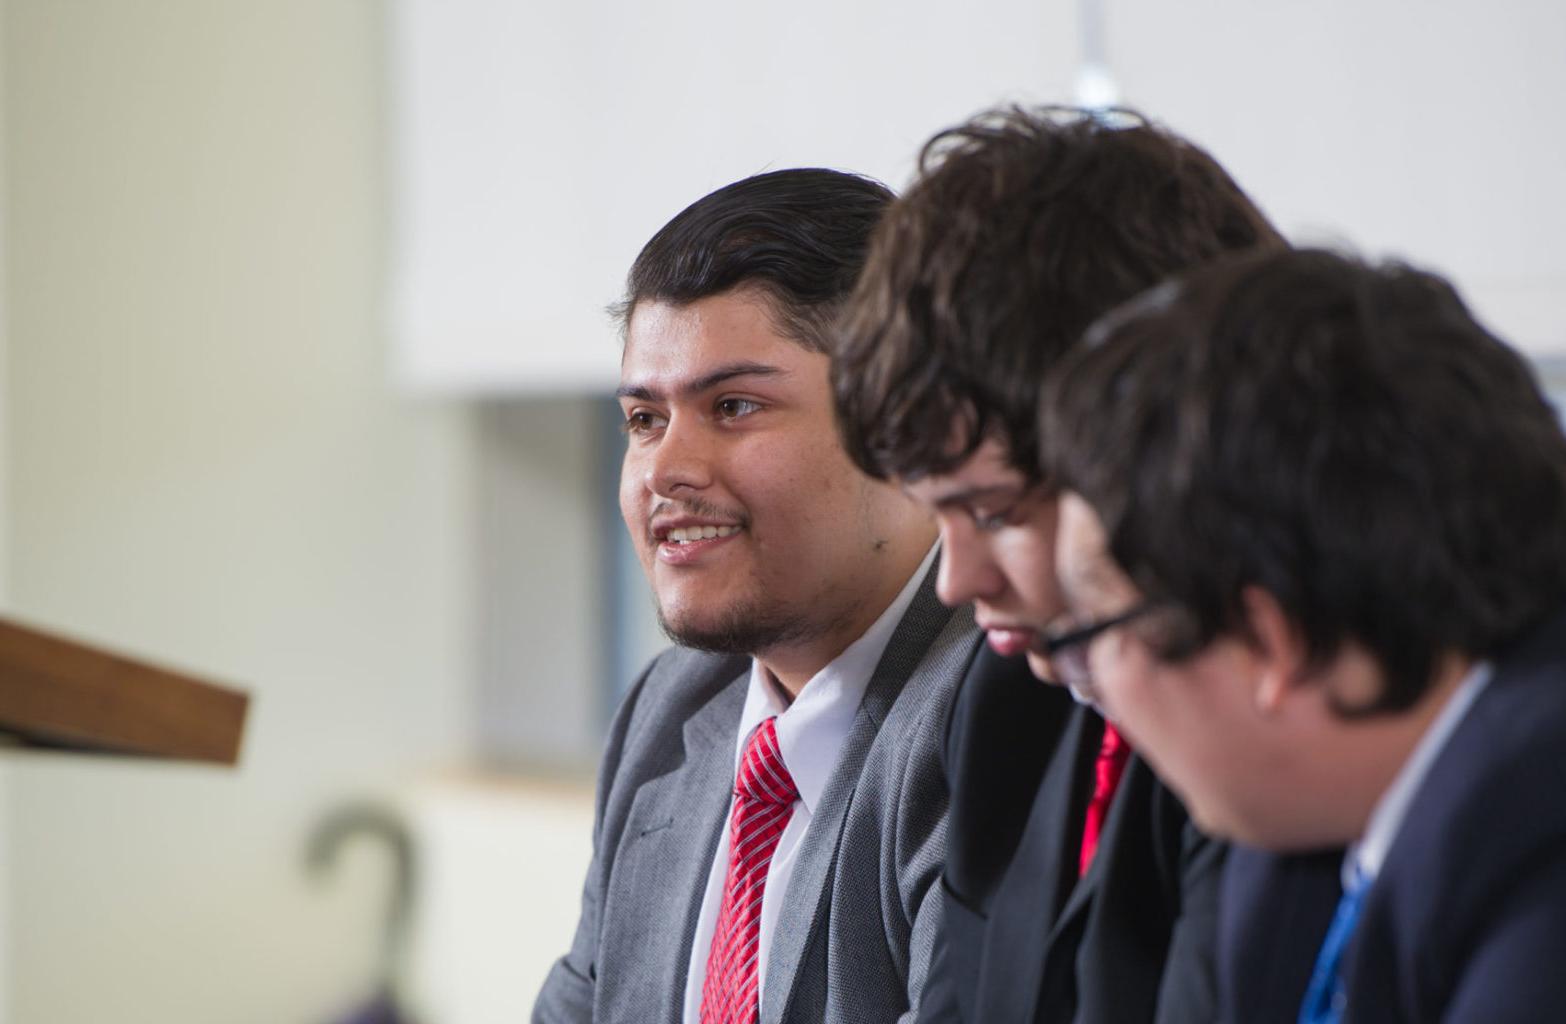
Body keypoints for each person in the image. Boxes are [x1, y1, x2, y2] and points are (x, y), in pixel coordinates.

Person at [830, 106, 1285, 1022]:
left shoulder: (1286, 731)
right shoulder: (1004, 705)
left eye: (995, 512)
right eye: (936, 510)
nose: (958, 580)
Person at [1039, 247, 1566, 1022]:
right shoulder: (1302, 837)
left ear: (1269, 642)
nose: (1079, 675)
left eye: (1092, 630)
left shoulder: (1534, 877)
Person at [533, 168, 980, 1024]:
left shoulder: (989, 713)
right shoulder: (669, 711)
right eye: (643, 419)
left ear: (904, 421)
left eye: (734, 405)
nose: (665, 469)